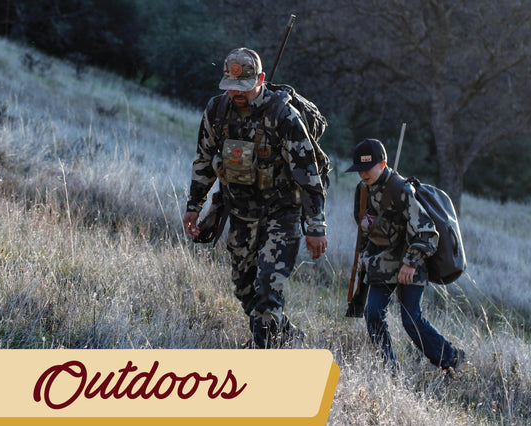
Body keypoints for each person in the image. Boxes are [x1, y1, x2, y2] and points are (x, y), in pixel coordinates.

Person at [183, 47, 328, 349]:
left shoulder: (283, 117)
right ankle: (286, 338)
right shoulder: (217, 111)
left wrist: (316, 227)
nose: (236, 94)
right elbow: (204, 159)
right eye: (230, 87)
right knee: (244, 289)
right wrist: (194, 206)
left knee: (266, 291)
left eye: (244, 88)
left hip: (281, 213)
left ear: (261, 79)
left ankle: (259, 358)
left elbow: (309, 176)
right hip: (240, 211)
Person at [346, 138, 464, 374]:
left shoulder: (401, 190)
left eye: (367, 169)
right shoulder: (362, 190)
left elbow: (427, 231)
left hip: (412, 264)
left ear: (383, 163)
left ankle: (450, 358)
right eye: (359, 170)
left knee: (411, 320)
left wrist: (410, 264)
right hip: (381, 264)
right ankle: (390, 370)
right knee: (373, 314)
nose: (363, 175)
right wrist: (363, 257)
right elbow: (363, 225)